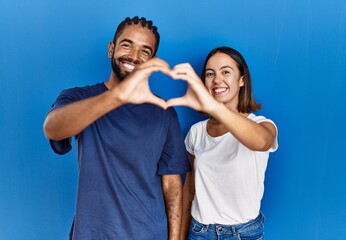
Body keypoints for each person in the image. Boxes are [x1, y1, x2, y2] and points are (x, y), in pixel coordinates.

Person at [43, 16, 190, 240]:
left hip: (149, 234)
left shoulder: (164, 112)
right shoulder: (78, 97)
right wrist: (118, 97)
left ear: (152, 61)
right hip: (92, 233)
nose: (133, 56)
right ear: (111, 49)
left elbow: (172, 185)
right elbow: (52, 128)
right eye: (126, 45)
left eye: (145, 51)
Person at [166, 46, 279, 240]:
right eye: (210, 74)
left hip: (243, 234)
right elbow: (189, 190)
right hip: (200, 232)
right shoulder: (197, 132)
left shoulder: (262, 125)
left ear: (242, 80)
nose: (217, 79)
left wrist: (214, 107)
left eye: (226, 72)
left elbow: (261, 142)